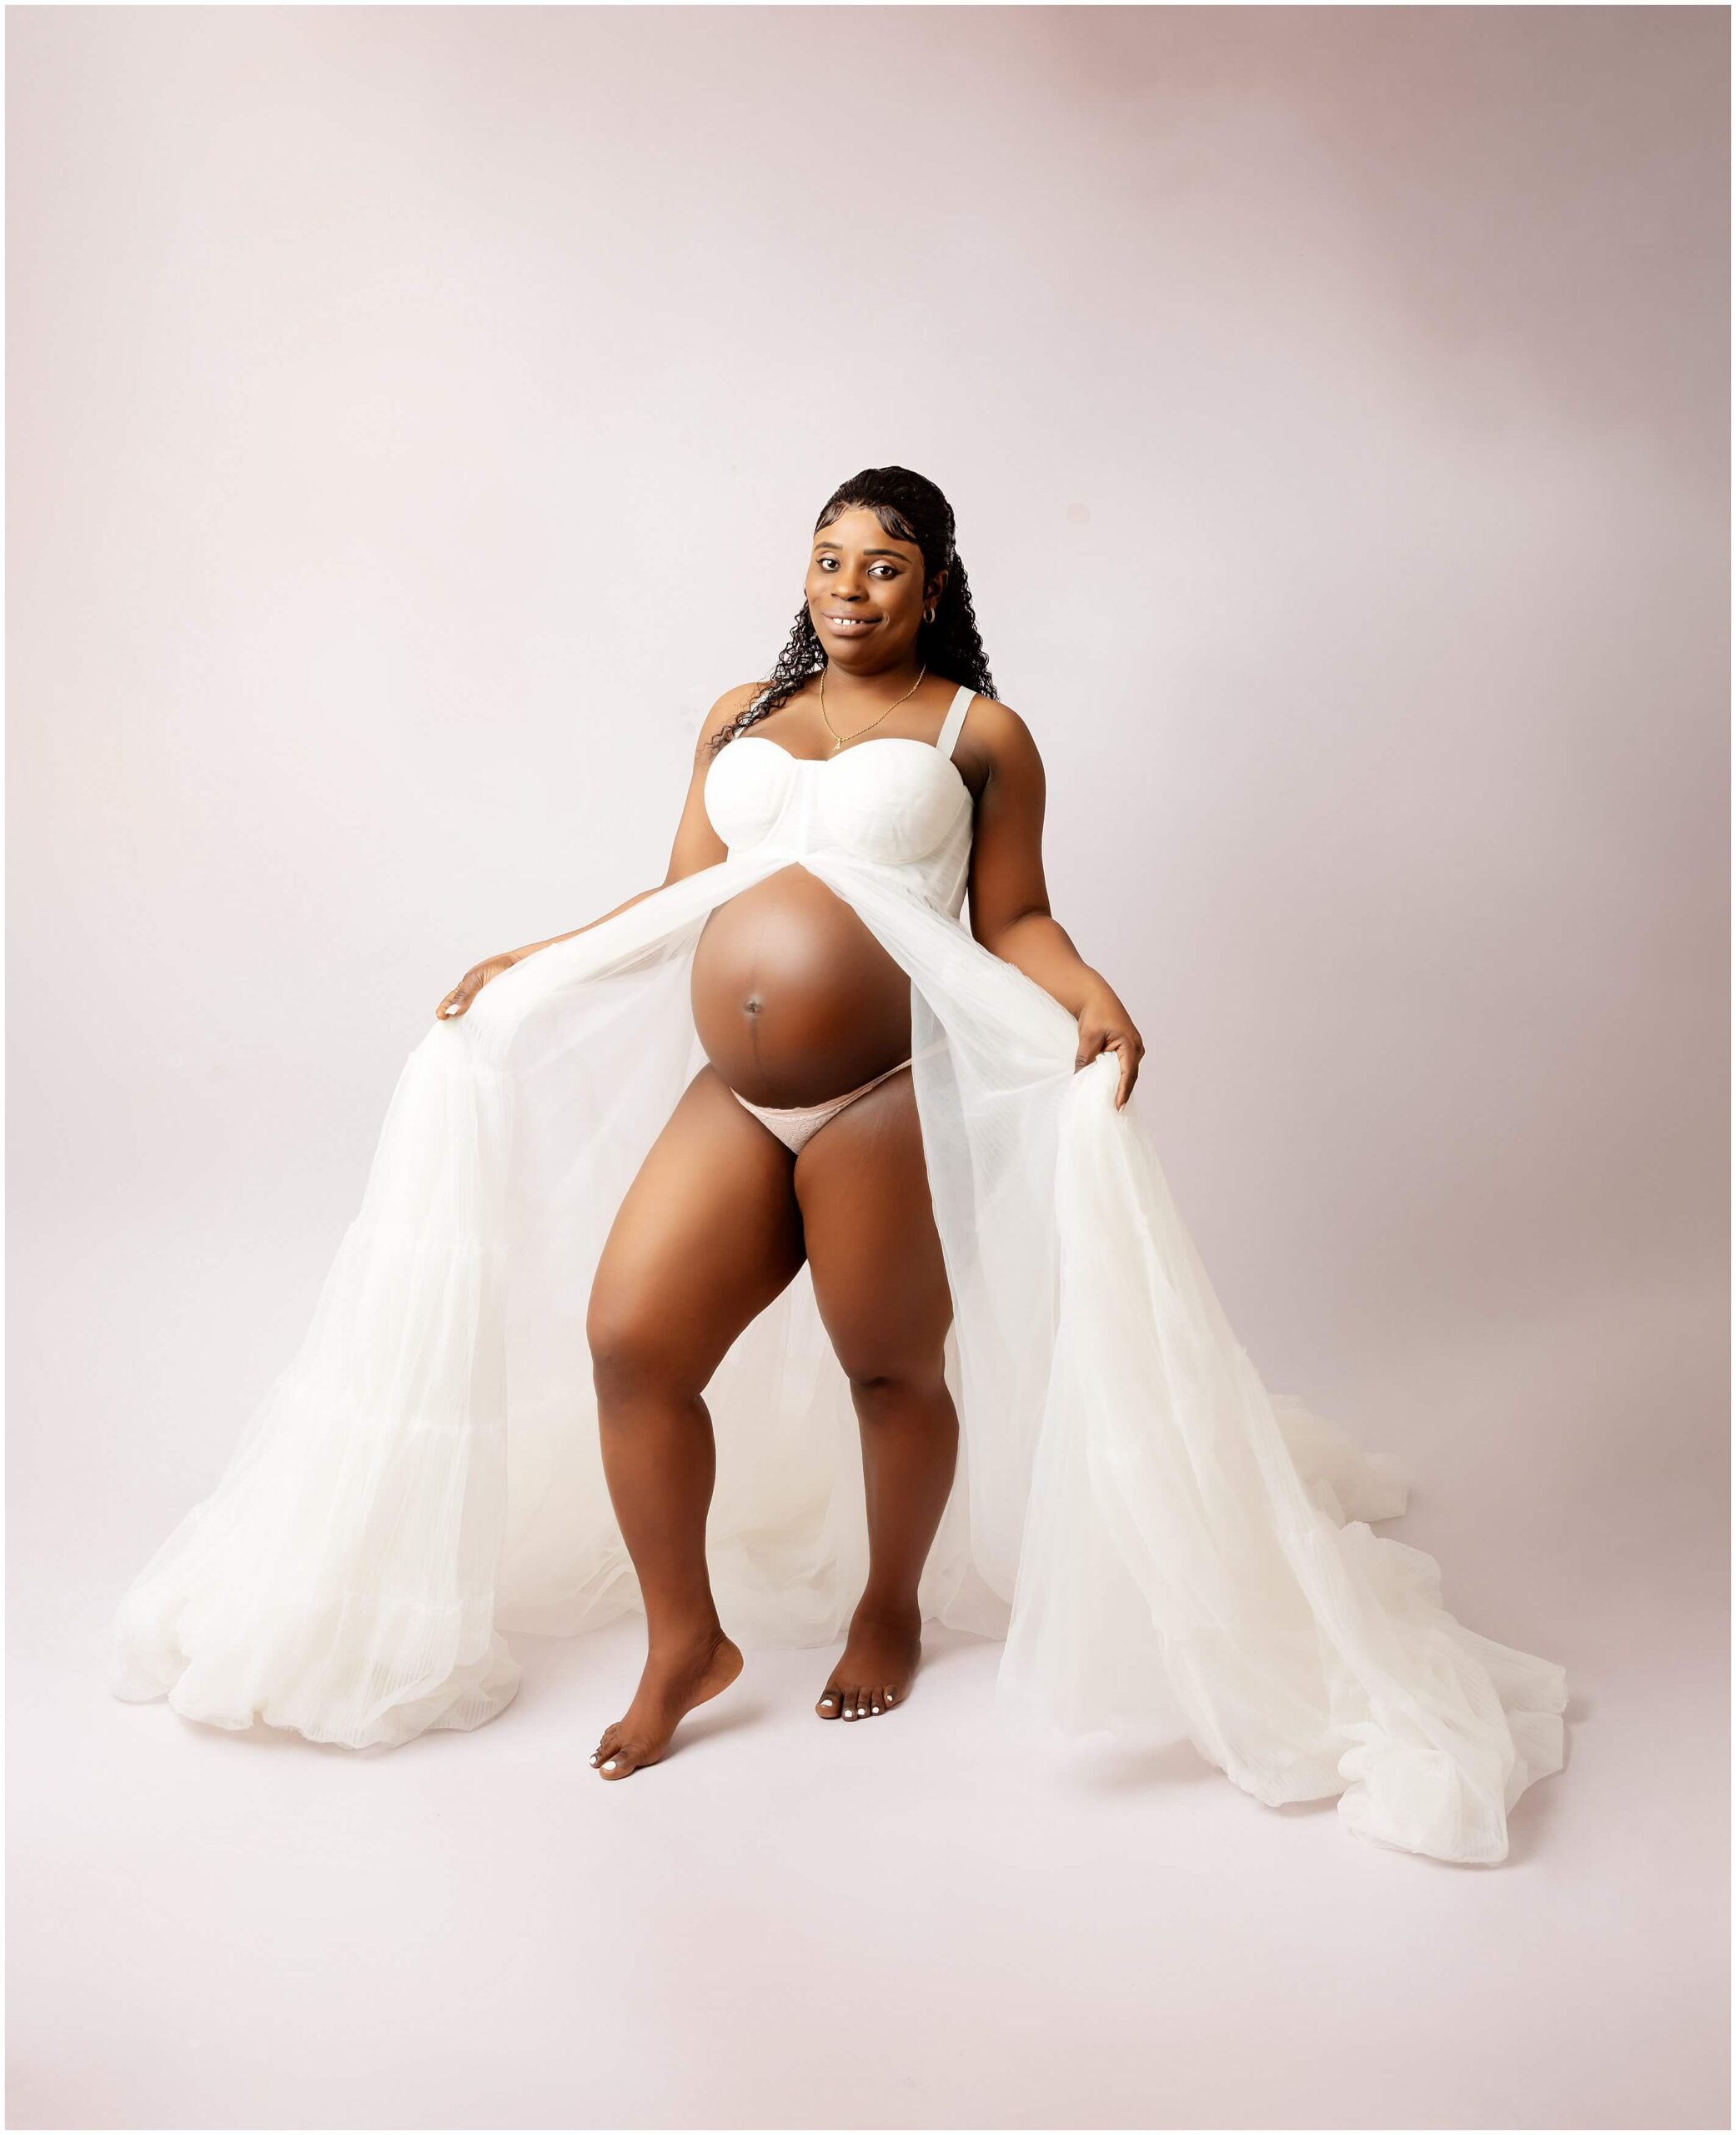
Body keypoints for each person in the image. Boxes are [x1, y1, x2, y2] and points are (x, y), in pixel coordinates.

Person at [109, 466, 1569, 1864]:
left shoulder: (974, 733)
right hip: (734, 1095)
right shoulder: (741, 712)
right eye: (827, 558)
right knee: (631, 1340)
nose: (849, 587)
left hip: (881, 1092)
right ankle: (687, 1637)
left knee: (888, 1369)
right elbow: (685, 894)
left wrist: (1090, 995)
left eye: (883, 565)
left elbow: (1018, 919)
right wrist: (541, 959)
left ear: (933, 587)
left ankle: (890, 1610)